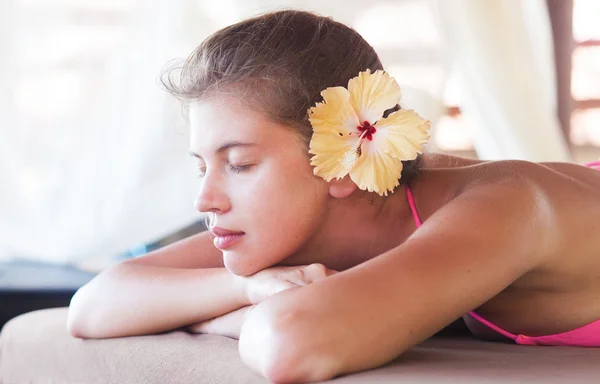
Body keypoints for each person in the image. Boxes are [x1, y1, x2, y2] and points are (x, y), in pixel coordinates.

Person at [67, 9, 600, 383]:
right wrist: (251, 290)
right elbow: (94, 305)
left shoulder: (505, 208)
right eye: (202, 167)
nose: (205, 199)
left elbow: (290, 345)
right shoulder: (314, 219)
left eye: (240, 164)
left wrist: (215, 312)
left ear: (343, 161)